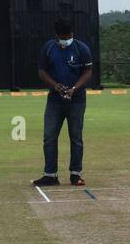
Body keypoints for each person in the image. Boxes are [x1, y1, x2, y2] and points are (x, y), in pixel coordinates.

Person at [32, 18, 93, 187]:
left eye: (68, 36)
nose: (66, 40)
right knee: (49, 137)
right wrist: (56, 86)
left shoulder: (82, 48)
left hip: (77, 100)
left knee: (76, 137)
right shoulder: (49, 47)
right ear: (56, 35)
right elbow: (42, 71)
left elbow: (87, 72)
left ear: (72, 34)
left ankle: (76, 174)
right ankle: (50, 175)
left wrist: (74, 88)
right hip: (55, 100)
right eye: (63, 37)